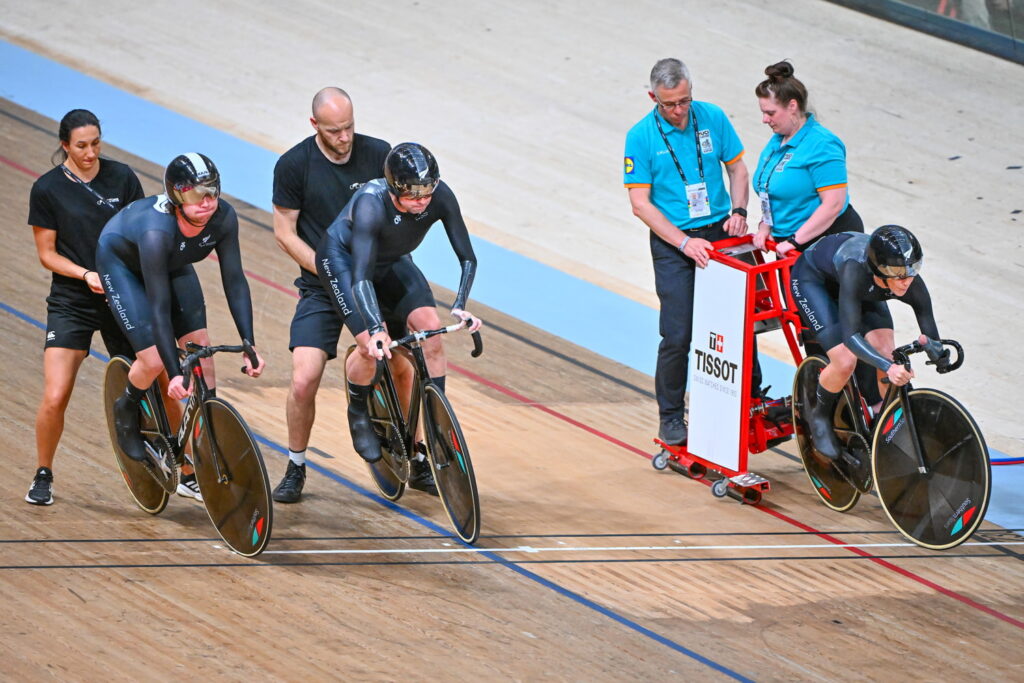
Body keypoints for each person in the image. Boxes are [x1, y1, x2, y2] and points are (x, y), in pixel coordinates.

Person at [624, 57, 769, 446]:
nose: (679, 111)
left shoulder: (713, 117)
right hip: (676, 242)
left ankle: (752, 398)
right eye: (669, 104)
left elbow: (738, 170)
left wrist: (739, 211)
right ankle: (671, 417)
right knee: (678, 334)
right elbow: (641, 203)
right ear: (653, 97)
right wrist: (685, 243)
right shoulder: (640, 137)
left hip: (721, 230)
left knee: (747, 318)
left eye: (684, 101)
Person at [316, 142, 481, 479]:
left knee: (432, 332)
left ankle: (436, 422)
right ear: (393, 188)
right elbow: (362, 277)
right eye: (412, 193)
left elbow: (467, 257)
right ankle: (358, 410)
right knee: (370, 347)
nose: (422, 200)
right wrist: (376, 328)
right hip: (346, 263)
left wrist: (461, 304)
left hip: (392, 261)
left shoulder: (441, 196)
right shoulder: (370, 204)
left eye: (427, 190)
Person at [97, 153, 265, 478]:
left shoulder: (225, 218)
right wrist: (175, 373)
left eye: (212, 192)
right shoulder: (155, 231)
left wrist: (249, 343)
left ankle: (210, 431)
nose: (206, 203)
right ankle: (127, 405)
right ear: (176, 197)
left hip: (172, 262)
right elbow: (160, 310)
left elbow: (235, 281)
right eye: (194, 195)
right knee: (153, 360)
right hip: (123, 264)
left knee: (201, 350)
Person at [271, 87, 391, 503]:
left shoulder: (379, 154)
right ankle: (295, 465)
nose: (345, 138)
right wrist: (326, 267)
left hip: (371, 279)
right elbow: (284, 233)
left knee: (408, 354)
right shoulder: (293, 165)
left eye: (350, 127)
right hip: (320, 285)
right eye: (335, 131)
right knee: (304, 379)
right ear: (314, 125)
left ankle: (416, 450)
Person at [25, 109, 144, 505]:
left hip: (120, 297)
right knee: (56, 394)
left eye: (95, 143)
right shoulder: (47, 189)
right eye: (81, 146)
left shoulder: (123, 177)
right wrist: (84, 274)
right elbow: (47, 254)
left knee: (153, 379)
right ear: (65, 146)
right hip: (72, 301)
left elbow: (140, 233)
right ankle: (44, 473)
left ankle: (181, 469)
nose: (90, 152)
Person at [790, 225, 949, 462]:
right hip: (815, 281)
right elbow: (850, 337)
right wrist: (888, 368)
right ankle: (818, 417)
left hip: (864, 290)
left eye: (912, 270)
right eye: (899, 274)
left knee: (888, 352)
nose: (907, 281)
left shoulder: (906, 277)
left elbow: (927, 324)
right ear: (880, 269)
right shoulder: (856, 270)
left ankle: (890, 425)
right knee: (844, 360)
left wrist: (938, 352)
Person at [752, 61, 863, 257]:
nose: (765, 120)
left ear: (792, 106)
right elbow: (770, 190)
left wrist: (795, 240)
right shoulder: (778, 139)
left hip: (824, 241)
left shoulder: (822, 145)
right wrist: (765, 225)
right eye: (763, 113)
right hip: (788, 244)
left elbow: (833, 204)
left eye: (770, 113)